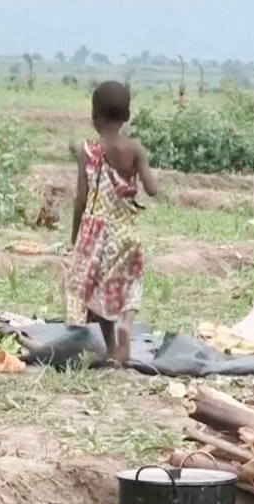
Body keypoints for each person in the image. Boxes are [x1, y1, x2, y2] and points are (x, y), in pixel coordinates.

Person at [64, 80, 159, 366]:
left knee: (99, 290)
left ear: (94, 116)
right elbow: (152, 189)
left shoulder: (86, 152)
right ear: (127, 116)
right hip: (126, 231)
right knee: (128, 284)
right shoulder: (135, 149)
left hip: (96, 232)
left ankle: (111, 347)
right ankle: (127, 325)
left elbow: (80, 199)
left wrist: (75, 234)